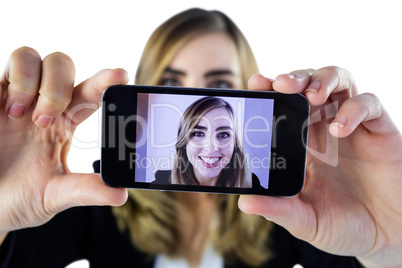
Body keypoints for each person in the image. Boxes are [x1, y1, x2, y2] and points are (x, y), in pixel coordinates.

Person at [0, 7, 401, 268]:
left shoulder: (290, 211)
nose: (210, 144)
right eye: (174, 84)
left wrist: (388, 243)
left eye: (220, 84)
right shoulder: (97, 203)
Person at [167, 96, 251, 188]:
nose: (211, 149)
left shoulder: (254, 190)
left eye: (223, 135)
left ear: (235, 143)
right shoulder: (160, 187)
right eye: (198, 133)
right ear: (184, 142)